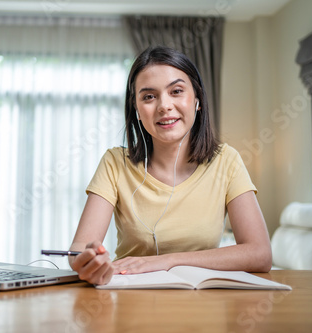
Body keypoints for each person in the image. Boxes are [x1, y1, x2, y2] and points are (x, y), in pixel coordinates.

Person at [69, 45, 272, 285]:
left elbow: (260, 254)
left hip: (202, 306)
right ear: (136, 109)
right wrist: (89, 261)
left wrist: (166, 261)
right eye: (149, 96)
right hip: (131, 302)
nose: (164, 106)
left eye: (176, 91)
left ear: (197, 100)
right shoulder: (114, 163)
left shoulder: (226, 161)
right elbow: (79, 251)